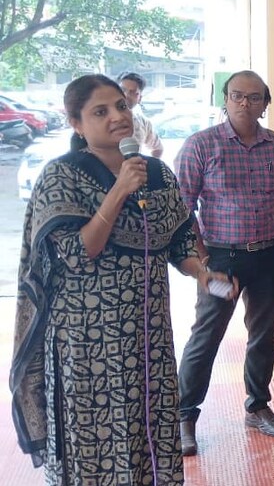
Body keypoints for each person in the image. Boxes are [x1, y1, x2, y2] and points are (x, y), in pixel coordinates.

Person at [10, 74, 233, 484]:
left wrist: (202, 272)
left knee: (148, 428)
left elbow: (178, 239)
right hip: (86, 344)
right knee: (93, 440)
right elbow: (76, 253)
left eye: (121, 106)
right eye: (101, 111)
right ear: (76, 123)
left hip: (146, 337)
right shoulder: (60, 178)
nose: (117, 116)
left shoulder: (157, 174)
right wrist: (118, 192)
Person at [176, 70, 274, 455]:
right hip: (220, 259)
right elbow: (184, 209)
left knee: (264, 335)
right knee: (206, 338)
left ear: (266, 103)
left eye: (254, 97)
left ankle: (257, 406)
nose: (245, 103)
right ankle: (184, 416)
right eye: (237, 96)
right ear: (225, 99)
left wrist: (266, 213)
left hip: (269, 255)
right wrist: (203, 261)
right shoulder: (201, 146)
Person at [118, 72, 164, 158]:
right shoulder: (102, 119)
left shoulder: (143, 123)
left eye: (132, 92)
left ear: (139, 98)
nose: (126, 95)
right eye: (122, 90)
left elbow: (158, 148)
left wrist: (150, 168)